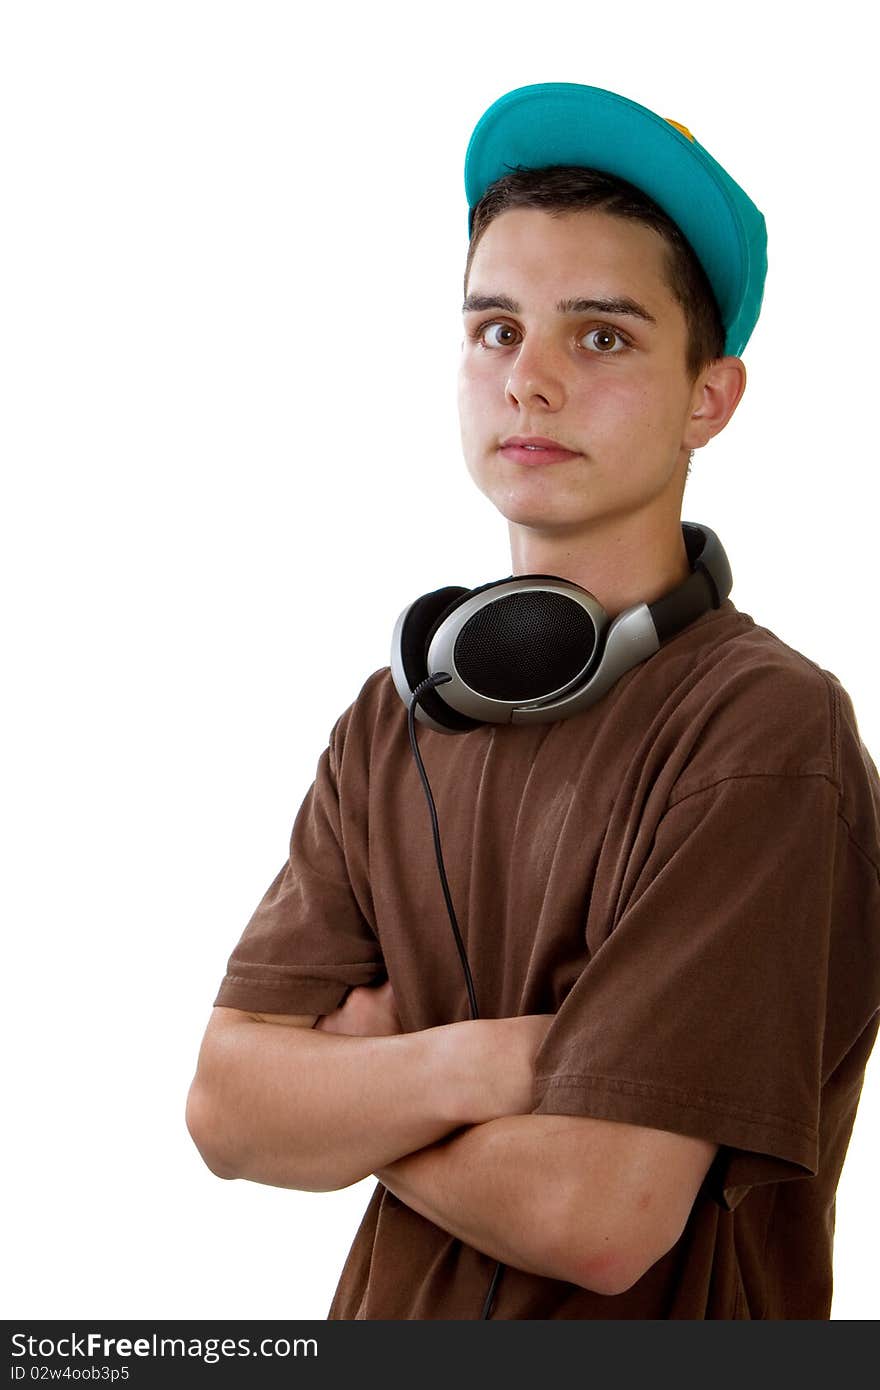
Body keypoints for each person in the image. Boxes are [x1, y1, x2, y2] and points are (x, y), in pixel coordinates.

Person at [185, 82, 880, 1319]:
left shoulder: (765, 734)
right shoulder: (390, 721)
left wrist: (356, 1093)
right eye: (496, 328)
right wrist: (491, 1061)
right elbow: (227, 1108)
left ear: (707, 399)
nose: (531, 380)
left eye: (601, 335)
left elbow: (598, 1213)